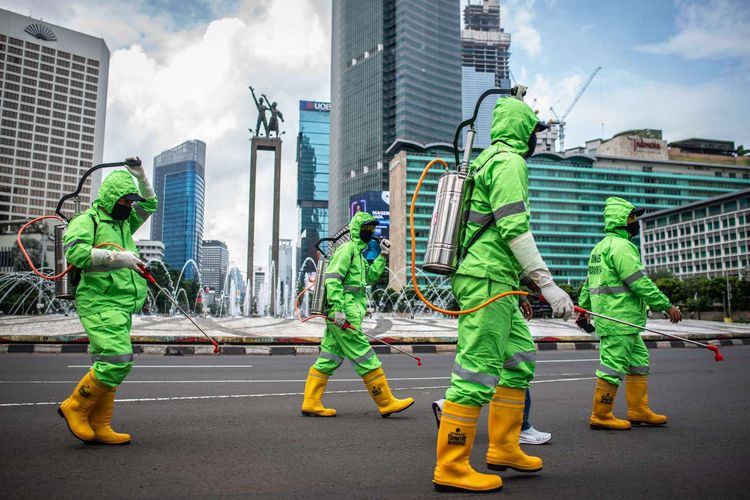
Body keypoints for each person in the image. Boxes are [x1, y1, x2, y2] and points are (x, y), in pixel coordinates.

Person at [433, 94, 574, 493]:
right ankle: (452, 465)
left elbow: (495, 230)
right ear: (524, 130)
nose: (535, 137)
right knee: (476, 372)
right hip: (487, 279)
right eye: (534, 129)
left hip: (498, 280)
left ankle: (505, 447)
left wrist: (523, 285)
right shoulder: (509, 161)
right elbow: (513, 227)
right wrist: (546, 282)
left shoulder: (487, 160)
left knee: (519, 360)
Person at [58, 160, 157, 444]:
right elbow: (76, 253)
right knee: (118, 359)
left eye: (130, 201)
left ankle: (100, 425)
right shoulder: (87, 221)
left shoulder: (124, 222)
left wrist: (140, 176)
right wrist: (119, 258)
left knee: (105, 361)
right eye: (125, 200)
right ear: (111, 198)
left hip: (121, 304)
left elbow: (149, 205)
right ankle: (75, 405)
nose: (129, 205)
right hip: (98, 301)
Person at [578, 197, 682, 431]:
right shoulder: (622, 247)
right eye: (632, 217)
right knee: (612, 367)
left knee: (638, 363)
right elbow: (639, 282)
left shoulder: (600, 247)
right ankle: (601, 414)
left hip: (623, 321)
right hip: (619, 318)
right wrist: (666, 305)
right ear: (621, 220)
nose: (635, 221)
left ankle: (638, 410)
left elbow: (588, 283)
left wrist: (583, 308)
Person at [301, 212, 414, 418]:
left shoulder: (359, 255)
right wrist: (338, 309)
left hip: (347, 310)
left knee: (329, 357)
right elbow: (332, 280)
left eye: (372, 229)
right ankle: (386, 401)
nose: (370, 232)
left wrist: (383, 256)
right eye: (366, 228)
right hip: (344, 311)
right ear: (356, 230)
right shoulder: (347, 250)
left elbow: (369, 277)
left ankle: (311, 402)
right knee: (365, 355)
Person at [431, 296, 551, 445]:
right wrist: (545, 285)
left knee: (497, 363)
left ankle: (511, 435)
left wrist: (520, 297)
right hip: (495, 297)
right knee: (510, 364)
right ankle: (517, 429)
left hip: (492, 297)